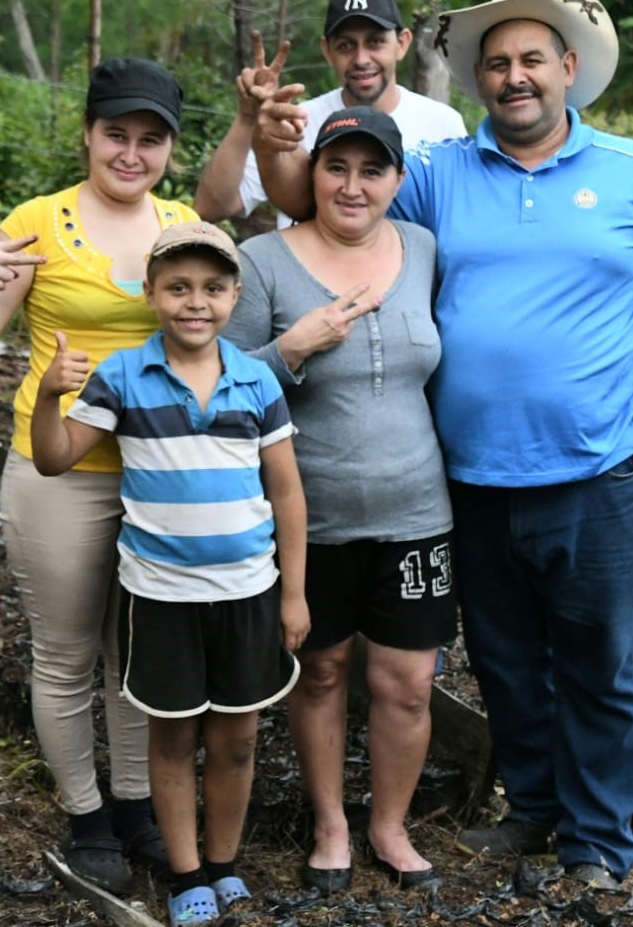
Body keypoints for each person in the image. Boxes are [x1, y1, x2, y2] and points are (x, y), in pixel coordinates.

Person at [252, 0, 633, 889]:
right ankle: (535, 808)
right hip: (467, 475)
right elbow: (333, 211)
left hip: (595, 470)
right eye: (497, 63)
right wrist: (273, 148)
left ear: (568, 71)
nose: (514, 78)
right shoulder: (438, 175)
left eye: (531, 61)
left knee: (594, 664)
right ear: (479, 79)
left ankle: (595, 840)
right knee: (505, 661)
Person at [0, 58, 200, 894]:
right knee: (64, 654)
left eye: (149, 139)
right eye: (115, 134)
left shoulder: (181, 224)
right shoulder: (37, 223)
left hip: (157, 476)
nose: (131, 153)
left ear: (169, 150)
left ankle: (133, 807)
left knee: (135, 657)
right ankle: (84, 814)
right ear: (87, 133)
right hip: (60, 468)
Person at [29, 222, 308, 927]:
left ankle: (223, 863)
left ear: (234, 296)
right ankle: (184, 873)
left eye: (212, 289)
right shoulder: (123, 376)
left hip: (247, 590)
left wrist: (294, 591)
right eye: (177, 287)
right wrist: (46, 397)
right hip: (160, 596)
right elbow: (55, 459)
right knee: (174, 734)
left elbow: (287, 492)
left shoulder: (255, 379)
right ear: (151, 293)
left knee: (237, 737)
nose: (195, 303)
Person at [224, 108, 453, 893]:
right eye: (336, 167)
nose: (352, 186)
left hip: (417, 512)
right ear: (312, 173)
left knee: (407, 683)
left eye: (371, 170)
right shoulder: (262, 261)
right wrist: (293, 347)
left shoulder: (421, 250)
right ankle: (329, 824)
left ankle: (388, 824)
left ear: (395, 180)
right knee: (319, 673)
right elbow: (223, 383)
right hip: (309, 519)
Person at [194, 0, 465, 229]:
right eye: (346, 46)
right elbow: (211, 207)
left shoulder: (443, 124)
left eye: (375, 42)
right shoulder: (297, 122)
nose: (361, 59)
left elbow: (458, 221)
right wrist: (247, 117)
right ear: (327, 51)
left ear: (402, 43)